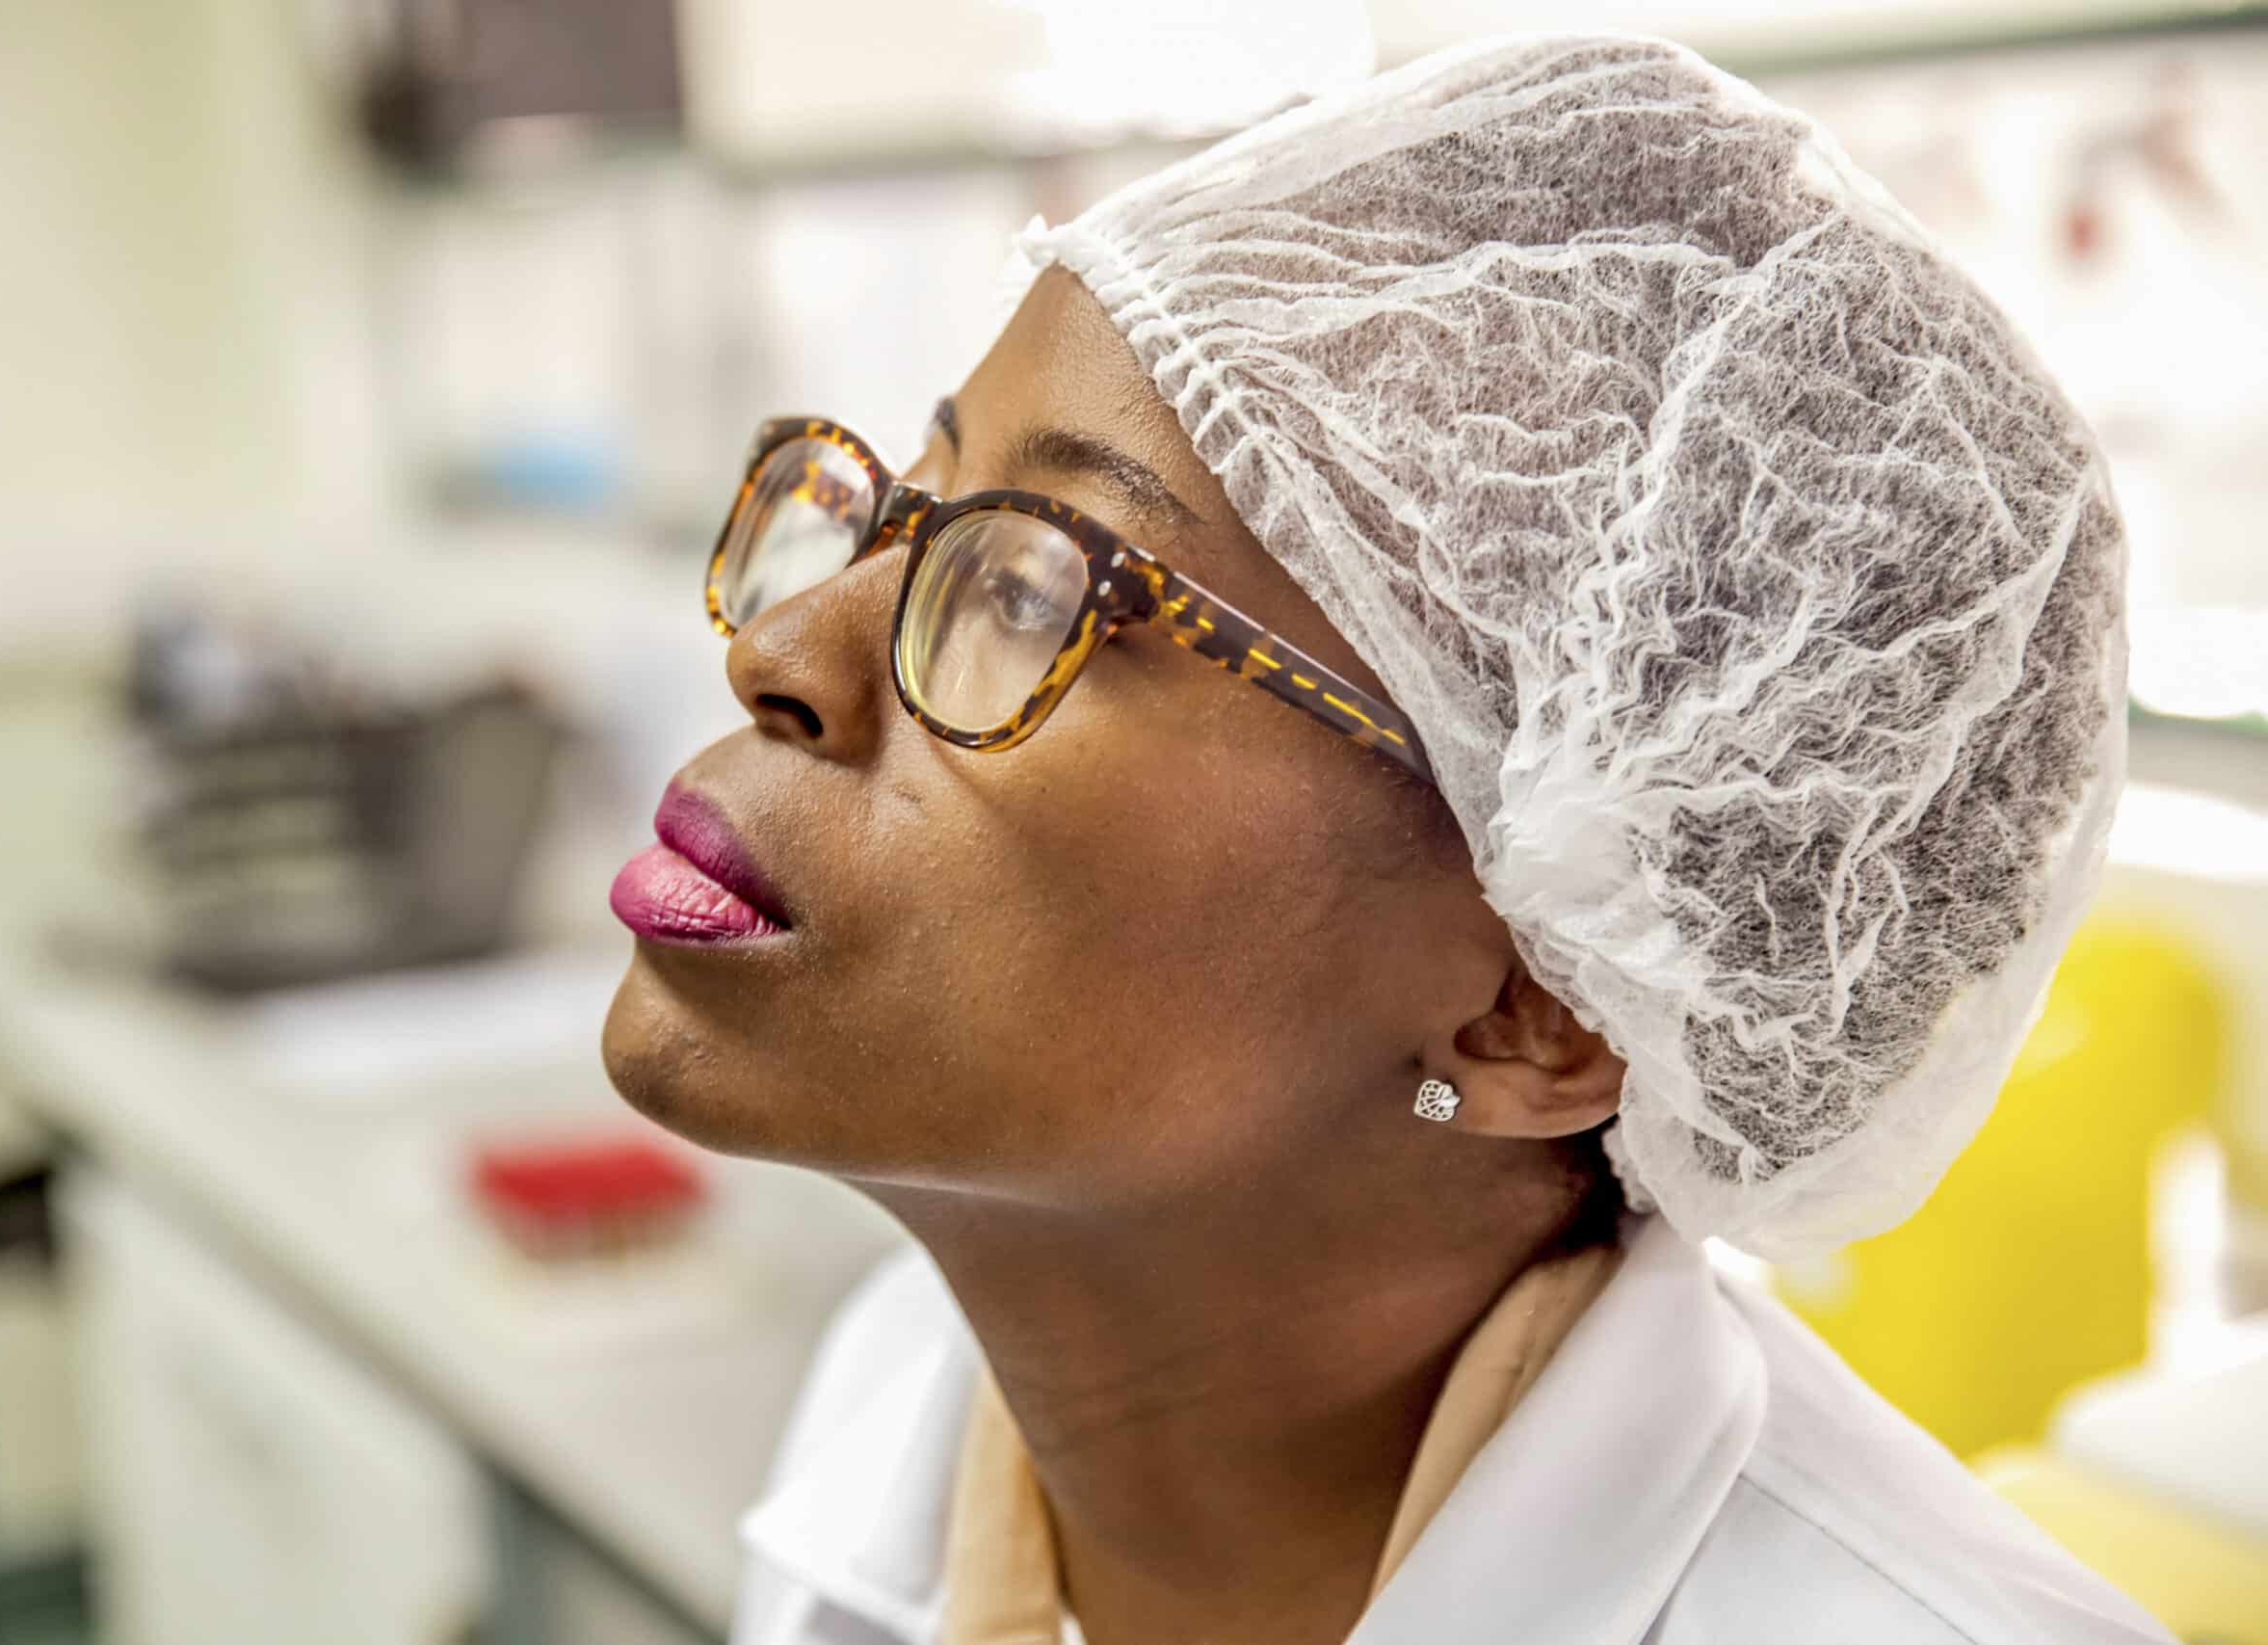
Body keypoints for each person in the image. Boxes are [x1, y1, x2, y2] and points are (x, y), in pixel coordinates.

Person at [601, 32, 2168, 1645]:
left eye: (1031, 588)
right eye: (899, 510)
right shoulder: (902, 1396)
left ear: (1540, 1008)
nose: (782, 651)